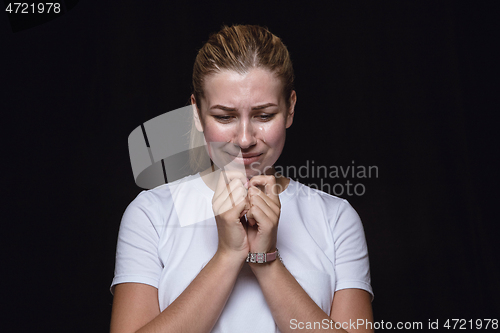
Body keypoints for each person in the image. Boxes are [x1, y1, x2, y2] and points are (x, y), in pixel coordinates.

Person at [110, 24, 374, 333]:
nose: (245, 138)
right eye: (224, 116)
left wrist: (266, 260)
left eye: (264, 115)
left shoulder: (335, 218)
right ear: (196, 113)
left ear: (290, 109)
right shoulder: (150, 213)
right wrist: (228, 254)